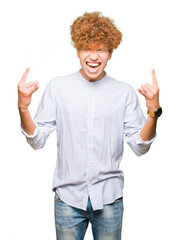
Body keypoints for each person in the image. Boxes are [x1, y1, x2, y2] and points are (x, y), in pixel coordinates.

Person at [17, 11, 162, 240]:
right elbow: (37, 140)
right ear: (77, 50)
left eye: (101, 49)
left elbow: (140, 145)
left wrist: (153, 112)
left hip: (109, 199)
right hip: (67, 199)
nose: (93, 56)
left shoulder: (123, 93)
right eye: (87, 48)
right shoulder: (58, 88)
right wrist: (23, 109)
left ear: (110, 53)